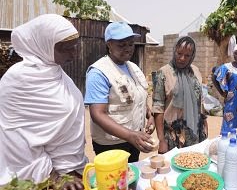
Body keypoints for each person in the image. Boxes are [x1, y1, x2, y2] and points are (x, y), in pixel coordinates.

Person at [0, 14, 87, 189]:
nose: (73, 53)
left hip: (74, 172)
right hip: (39, 179)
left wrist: (71, 170)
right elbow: (16, 138)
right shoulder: (18, 80)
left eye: (74, 47)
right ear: (44, 45)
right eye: (65, 48)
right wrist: (54, 177)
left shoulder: (58, 74)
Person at [84, 22, 154, 163]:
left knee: (131, 177)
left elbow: (138, 96)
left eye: (131, 44)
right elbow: (97, 114)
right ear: (109, 45)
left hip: (134, 138)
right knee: (114, 182)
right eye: (122, 45)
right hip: (111, 144)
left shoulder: (133, 67)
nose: (128, 49)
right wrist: (130, 135)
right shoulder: (99, 72)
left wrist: (149, 114)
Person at [152, 36, 207, 154]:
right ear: (174, 51)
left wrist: (204, 128)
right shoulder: (163, 73)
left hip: (194, 130)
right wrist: (161, 140)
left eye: (187, 55)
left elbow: (200, 102)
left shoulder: (195, 71)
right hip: (173, 134)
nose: (182, 58)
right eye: (179, 53)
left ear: (192, 56)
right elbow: (158, 108)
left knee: (193, 164)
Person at [212, 44, 237, 133]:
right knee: (229, 123)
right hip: (231, 102)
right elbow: (214, 77)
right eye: (236, 53)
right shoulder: (227, 67)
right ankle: (225, 141)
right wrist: (222, 93)